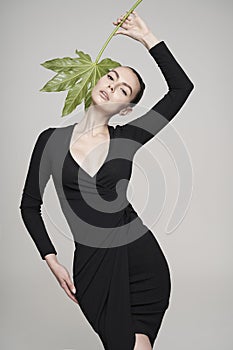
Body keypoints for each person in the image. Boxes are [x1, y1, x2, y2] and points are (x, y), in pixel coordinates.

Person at [19, 10, 194, 350]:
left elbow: (181, 88)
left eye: (123, 89)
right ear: (97, 79)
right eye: (111, 77)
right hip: (93, 264)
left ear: (125, 108)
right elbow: (29, 206)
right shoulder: (50, 140)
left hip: (142, 261)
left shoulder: (129, 137)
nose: (112, 86)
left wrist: (147, 37)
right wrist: (51, 260)